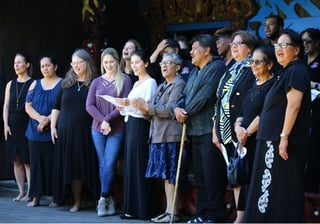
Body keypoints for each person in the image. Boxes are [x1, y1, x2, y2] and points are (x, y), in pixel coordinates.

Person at [244, 29, 311, 223]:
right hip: (270, 140)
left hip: (280, 143)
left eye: (284, 45)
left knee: (279, 191)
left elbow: (294, 105)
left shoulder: (297, 70)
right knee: (269, 190)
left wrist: (284, 137)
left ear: (297, 50)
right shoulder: (285, 71)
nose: (279, 49)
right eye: (277, 46)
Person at [173, 34, 227, 223]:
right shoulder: (195, 70)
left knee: (213, 176)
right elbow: (184, 94)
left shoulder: (216, 68)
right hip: (193, 130)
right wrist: (177, 108)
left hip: (208, 131)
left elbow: (204, 97)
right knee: (201, 177)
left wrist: (185, 111)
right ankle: (202, 214)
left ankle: (215, 215)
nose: (191, 52)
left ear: (207, 50)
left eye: (195, 48)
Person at [131, 52, 186, 223]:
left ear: (177, 67)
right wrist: (142, 108)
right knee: (165, 176)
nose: (163, 66)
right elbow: (151, 110)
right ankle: (168, 210)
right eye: (162, 63)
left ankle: (173, 212)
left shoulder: (179, 84)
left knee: (171, 175)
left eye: (168, 63)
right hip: (158, 135)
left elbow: (170, 109)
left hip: (171, 135)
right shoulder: (162, 85)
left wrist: (148, 108)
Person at [212, 30, 260, 223]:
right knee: (234, 172)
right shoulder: (230, 69)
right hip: (224, 129)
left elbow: (253, 101)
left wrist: (244, 127)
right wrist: (215, 129)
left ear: (250, 48)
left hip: (244, 129)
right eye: (232, 43)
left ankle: (243, 217)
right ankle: (240, 216)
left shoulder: (253, 68)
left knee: (244, 172)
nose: (234, 46)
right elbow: (219, 101)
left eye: (239, 43)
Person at [50, 48, 99, 212]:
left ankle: (81, 200)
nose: (76, 66)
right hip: (65, 132)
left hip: (85, 133)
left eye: (80, 62)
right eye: (74, 63)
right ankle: (71, 199)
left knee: (80, 166)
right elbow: (56, 107)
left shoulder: (94, 83)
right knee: (68, 165)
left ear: (87, 63)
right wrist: (52, 127)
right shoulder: (66, 83)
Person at [86, 47, 132, 217]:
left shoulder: (125, 80)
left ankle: (102, 197)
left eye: (111, 61)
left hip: (117, 127)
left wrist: (108, 120)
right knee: (103, 163)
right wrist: (102, 121)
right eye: (105, 62)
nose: (108, 65)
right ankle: (109, 198)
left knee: (110, 163)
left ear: (117, 61)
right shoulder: (96, 81)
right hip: (97, 129)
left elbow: (124, 105)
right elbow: (89, 105)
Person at [233, 46, 276, 222]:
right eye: (252, 61)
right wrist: (238, 128)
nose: (254, 65)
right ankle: (241, 218)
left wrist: (247, 132)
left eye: (258, 61)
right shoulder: (252, 85)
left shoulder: (273, 85)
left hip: (260, 139)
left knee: (259, 181)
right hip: (245, 140)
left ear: (270, 64)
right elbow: (242, 112)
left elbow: (265, 114)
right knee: (245, 180)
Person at [115, 50, 157, 220]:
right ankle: (130, 207)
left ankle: (143, 208)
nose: (134, 66)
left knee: (139, 164)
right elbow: (132, 107)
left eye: (138, 62)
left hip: (141, 125)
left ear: (146, 63)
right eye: (132, 63)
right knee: (130, 165)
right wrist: (122, 107)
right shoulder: (135, 84)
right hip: (130, 124)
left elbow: (148, 109)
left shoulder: (151, 82)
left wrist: (129, 103)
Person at [25, 55, 62, 207]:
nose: (45, 69)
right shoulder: (35, 83)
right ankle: (36, 197)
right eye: (42, 66)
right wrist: (40, 119)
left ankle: (55, 197)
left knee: (54, 164)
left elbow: (62, 106)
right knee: (36, 164)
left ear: (55, 66)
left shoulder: (62, 83)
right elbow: (28, 106)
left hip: (53, 130)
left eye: (48, 65)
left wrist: (48, 120)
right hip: (35, 130)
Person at [3, 52, 34, 202]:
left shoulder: (33, 83)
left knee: (27, 160)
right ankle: (21, 191)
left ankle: (30, 192)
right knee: (16, 160)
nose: (16, 65)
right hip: (12, 125)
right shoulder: (10, 84)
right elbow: (6, 106)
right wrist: (5, 124)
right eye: (15, 63)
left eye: (20, 62)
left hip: (26, 123)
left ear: (27, 65)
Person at [300, 28, 320, 193]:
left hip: (317, 114)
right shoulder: (300, 60)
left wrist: (315, 86)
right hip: (300, 113)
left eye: (309, 41)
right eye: (303, 41)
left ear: (317, 42)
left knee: (314, 153)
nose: (305, 44)